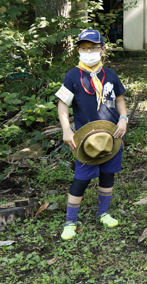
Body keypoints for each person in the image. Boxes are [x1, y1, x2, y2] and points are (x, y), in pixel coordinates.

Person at [55, 29, 128, 240]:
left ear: (102, 49)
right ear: (78, 50)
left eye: (94, 48)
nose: (89, 52)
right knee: (81, 179)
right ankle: (70, 221)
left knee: (108, 175)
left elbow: (120, 99)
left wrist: (123, 118)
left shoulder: (111, 75)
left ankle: (103, 212)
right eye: (84, 48)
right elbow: (62, 105)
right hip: (86, 141)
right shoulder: (73, 76)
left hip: (112, 137)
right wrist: (66, 128)